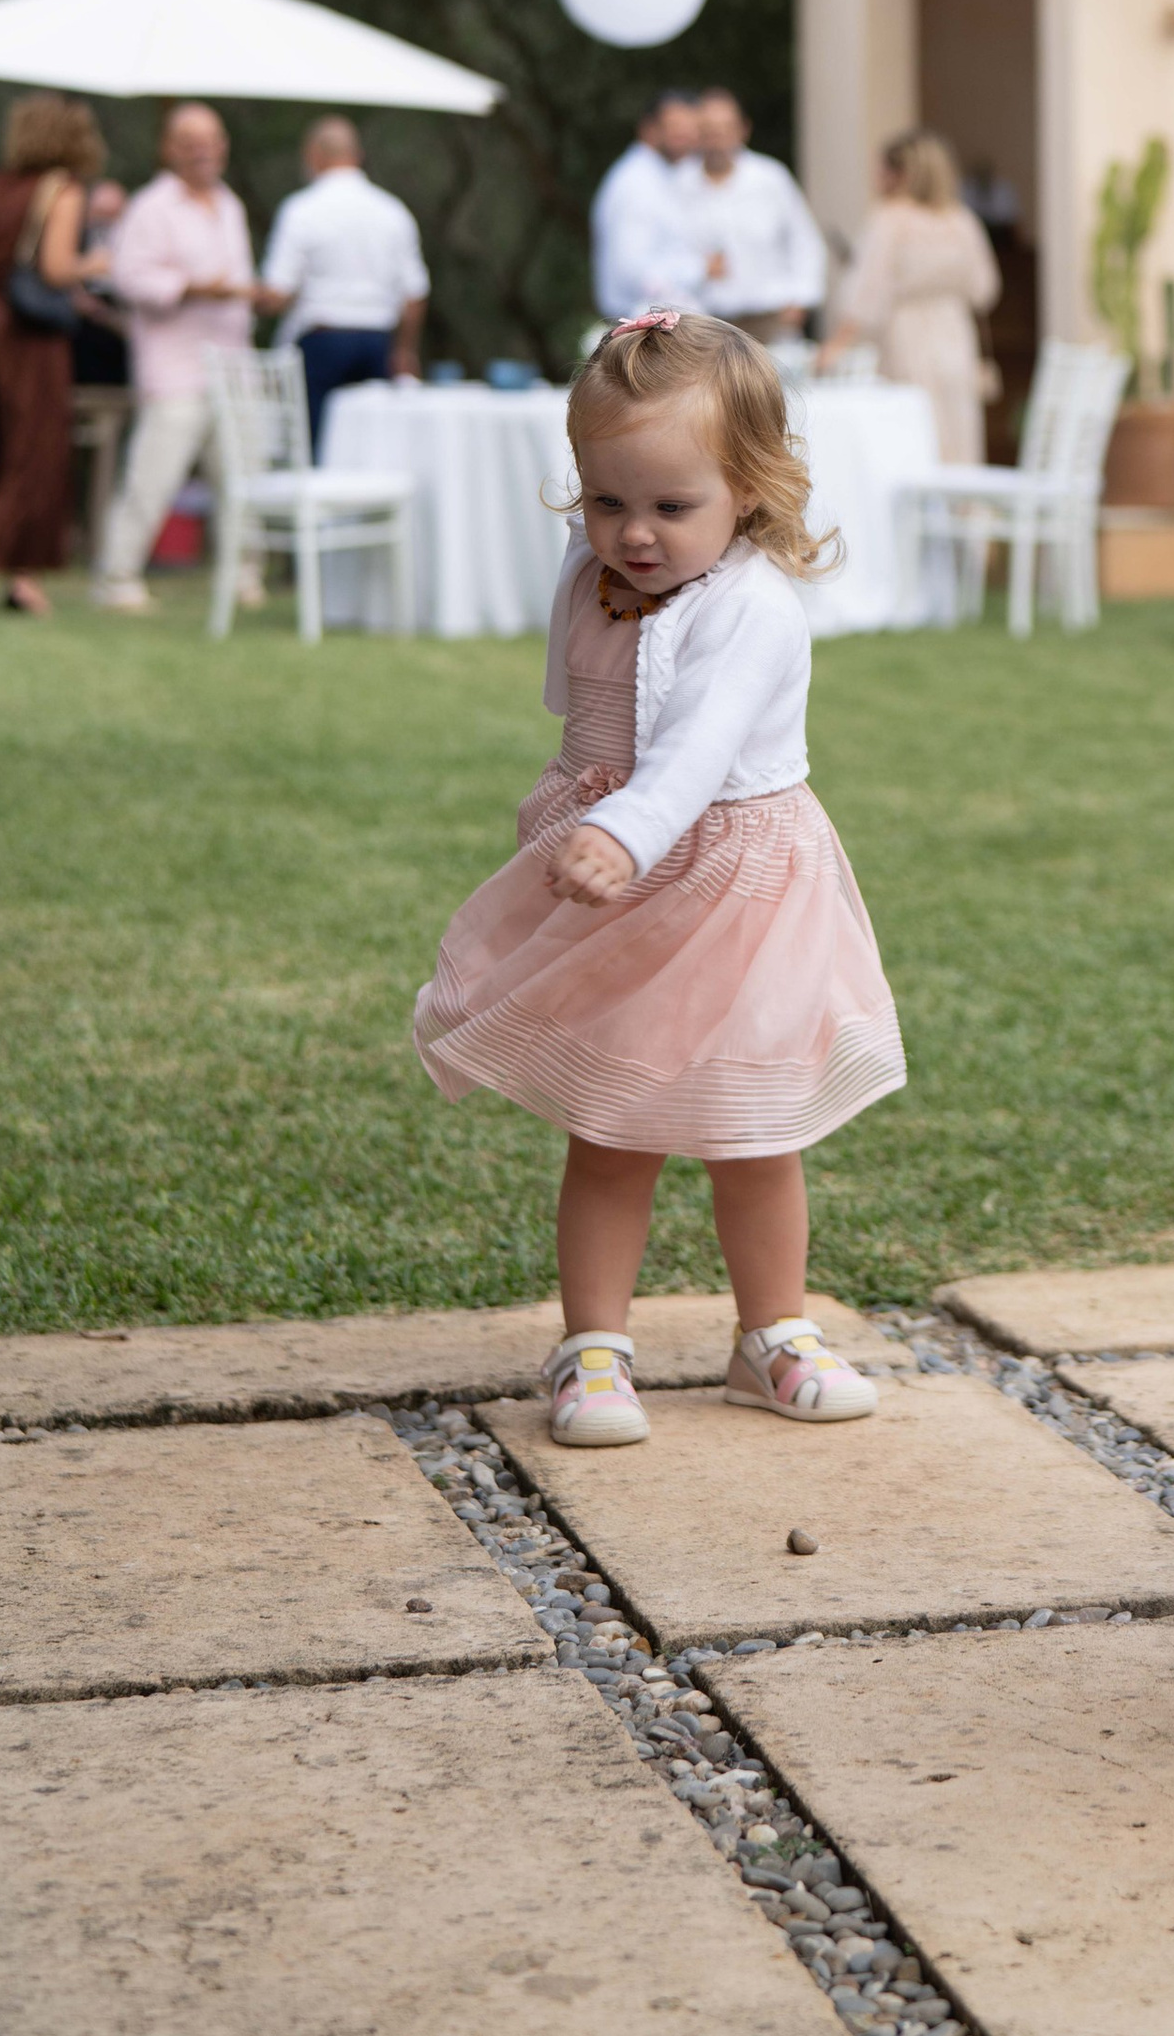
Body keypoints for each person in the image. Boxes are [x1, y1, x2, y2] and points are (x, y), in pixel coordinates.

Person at [412, 310, 905, 1446]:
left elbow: (691, 752)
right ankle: (592, 1347)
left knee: (754, 1128)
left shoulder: (752, 612)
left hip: (732, 885)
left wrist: (625, 828)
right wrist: (583, 806)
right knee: (613, 1120)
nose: (632, 535)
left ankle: (769, 1333)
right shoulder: (594, 576)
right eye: (606, 500)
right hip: (622, 877)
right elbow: (585, 702)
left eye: (670, 508)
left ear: (752, 489)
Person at [89, 104, 256, 614]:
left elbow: (238, 281)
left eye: (211, 138)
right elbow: (128, 278)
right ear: (168, 148)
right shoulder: (150, 208)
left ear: (224, 145)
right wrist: (190, 288)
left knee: (244, 479)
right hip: (174, 366)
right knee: (152, 477)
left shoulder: (230, 205)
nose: (203, 149)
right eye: (189, 140)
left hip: (233, 364)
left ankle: (242, 576)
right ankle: (117, 579)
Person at [815, 132, 1001, 462]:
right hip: (956, 332)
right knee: (957, 424)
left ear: (899, 174)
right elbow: (984, 289)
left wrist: (836, 345)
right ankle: (960, 502)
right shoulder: (961, 219)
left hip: (907, 335)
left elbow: (867, 292)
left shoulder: (890, 220)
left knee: (914, 426)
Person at [0, 94, 109, 616]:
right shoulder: (62, 191)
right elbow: (57, 268)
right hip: (29, 338)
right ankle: (23, 578)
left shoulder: (1, 187)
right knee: (32, 451)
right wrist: (94, 263)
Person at [256, 116, 429, 450]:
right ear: (358, 155)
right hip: (377, 344)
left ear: (313, 155)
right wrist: (405, 351)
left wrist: (247, 295)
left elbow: (277, 292)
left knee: (315, 446)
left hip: (321, 344)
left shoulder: (301, 210)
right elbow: (415, 293)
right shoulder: (393, 211)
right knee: (371, 448)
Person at [685, 89, 829, 343]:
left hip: (770, 317)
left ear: (743, 129)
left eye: (724, 128)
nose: (717, 139)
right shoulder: (679, 185)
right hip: (704, 321)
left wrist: (802, 298)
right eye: (708, 130)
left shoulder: (770, 177)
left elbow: (804, 239)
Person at [591, 91, 703, 322]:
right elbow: (633, 270)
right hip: (641, 327)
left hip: (656, 322)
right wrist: (700, 268)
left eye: (692, 128)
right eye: (676, 127)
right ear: (648, 129)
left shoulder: (663, 176)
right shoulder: (636, 184)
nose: (687, 135)